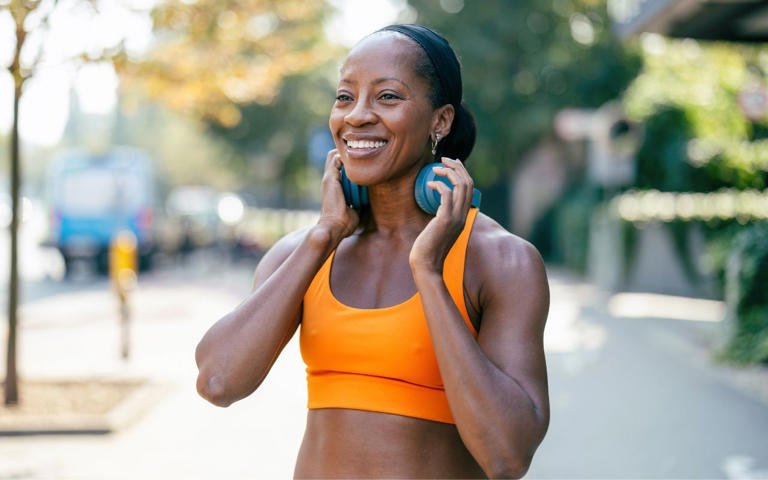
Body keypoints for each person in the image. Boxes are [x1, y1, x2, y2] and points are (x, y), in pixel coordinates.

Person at [195, 24, 550, 479]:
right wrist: (323, 235)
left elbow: (506, 456)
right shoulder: (304, 253)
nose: (358, 116)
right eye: (345, 97)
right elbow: (218, 382)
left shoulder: (502, 261)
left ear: (440, 121)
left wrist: (428, 272)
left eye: (388, 97)